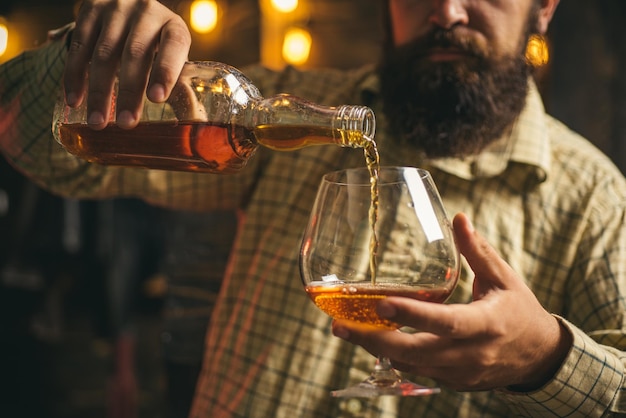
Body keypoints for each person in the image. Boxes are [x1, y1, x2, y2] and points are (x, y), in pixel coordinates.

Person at [2, 0, 626, 416]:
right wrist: (81, 57)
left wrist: (547, 358)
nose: (446, 11)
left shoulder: (596, 198)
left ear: (543, 7)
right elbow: (41, 152)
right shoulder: (270, 119)